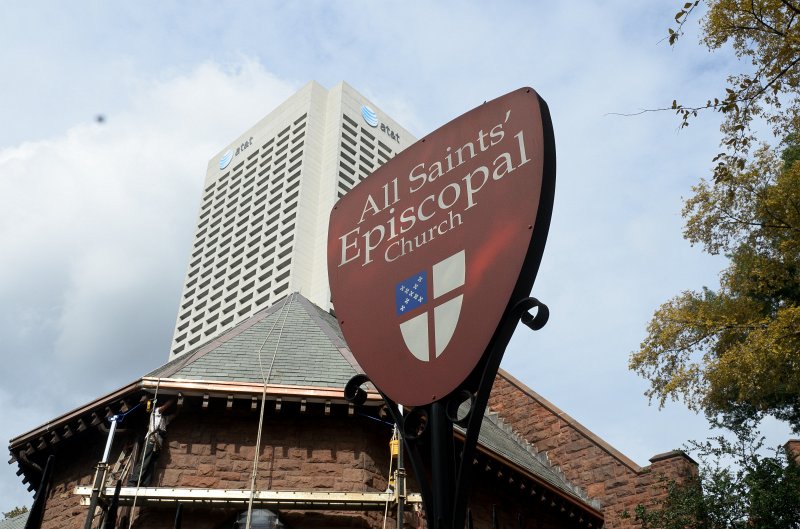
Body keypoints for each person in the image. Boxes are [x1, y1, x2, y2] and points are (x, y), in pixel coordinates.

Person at [127, 398, 175, 487]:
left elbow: (174, 415)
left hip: (158, 445)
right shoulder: (156, 412)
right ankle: (133, 481)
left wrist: (179, 407)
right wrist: (174, 398)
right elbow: (165, 406)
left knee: (152, 465)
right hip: (151, 440)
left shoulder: (164, 419)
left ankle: (145, 483)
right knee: (144, 461)